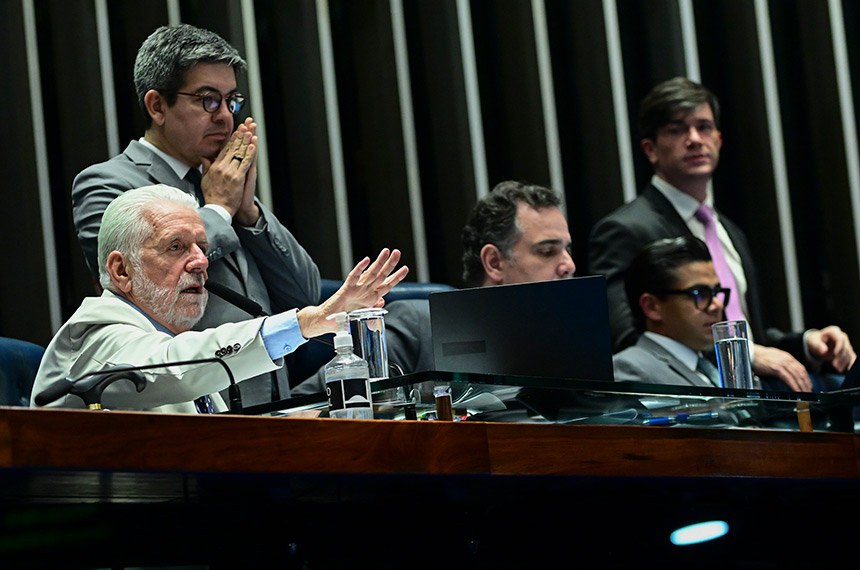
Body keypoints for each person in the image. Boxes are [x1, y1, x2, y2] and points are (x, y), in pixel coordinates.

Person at [71, 24, 319, 406]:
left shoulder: (221, 181)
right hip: (192, 403)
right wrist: (219, 209)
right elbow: (137, 289)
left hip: (270, 395)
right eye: (208, 100)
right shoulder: (107, 183)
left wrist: (247, 212)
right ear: (157, 106)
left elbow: (305, 294)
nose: (225, 117)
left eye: (231, 100)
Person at [31, 185, 408, 413]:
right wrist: (305, 323)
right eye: (176, 247)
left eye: (201, 246)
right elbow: (175, 368)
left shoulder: (168, 340)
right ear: (121, 270)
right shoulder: (96, 335)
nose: (200, 261)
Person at [588, 76, 855, 391]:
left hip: (757, 387)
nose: (694, 139)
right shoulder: (624, 229)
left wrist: (808, 343)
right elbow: (632, 341)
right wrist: (743, 354)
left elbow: (748, 332)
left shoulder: (727, 229)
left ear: (718, 139)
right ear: (650, 149)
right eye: (676, 130)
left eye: (703, 127)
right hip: (698, 396)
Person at [290, 180, 576, 394]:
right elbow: (300, 410)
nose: (569, 265)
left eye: (567, 250)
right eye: (547, 251)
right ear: (494, 262)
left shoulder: (570, 340)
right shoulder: (419, 327)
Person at [613, 236, 731, 387]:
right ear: (651, 307)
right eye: (699, 294)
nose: (717, 305)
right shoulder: (630, 369)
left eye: (716, 292)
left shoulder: (715, 365)